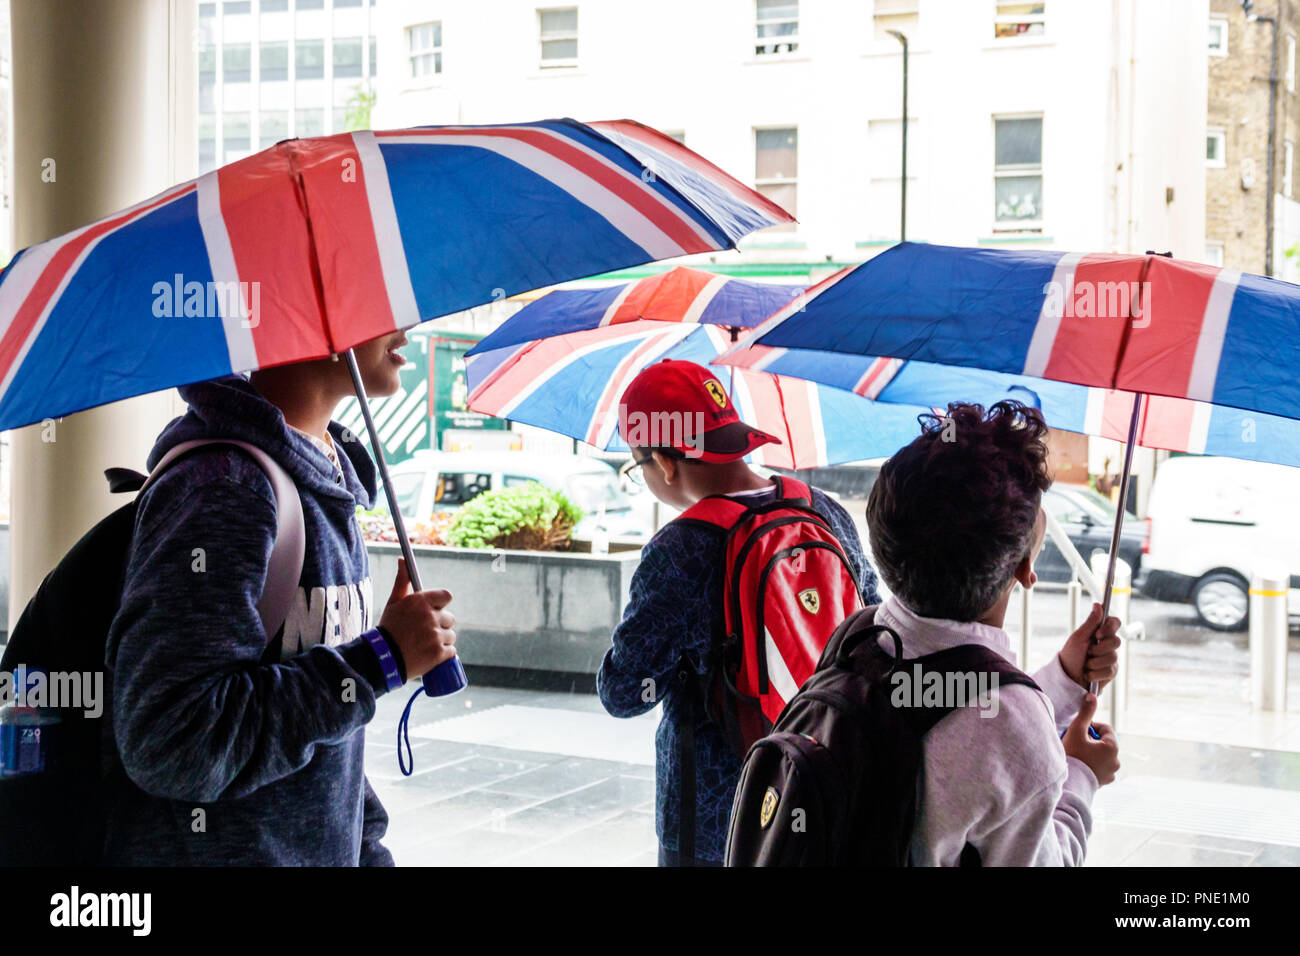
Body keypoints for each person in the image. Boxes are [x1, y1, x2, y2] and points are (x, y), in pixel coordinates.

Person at [102, 331, 457, 865]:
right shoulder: (224, 488)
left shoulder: (326, 478)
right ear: (316, 319)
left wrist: (365, 847)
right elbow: (172, 742)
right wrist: (379, 659)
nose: (404, 328)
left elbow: (327, 754)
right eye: (377, 299)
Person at [596, 359, 877, 867]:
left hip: (717, 818)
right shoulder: (824, 511)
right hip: (824, 784)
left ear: (664, 462)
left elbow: (623, 693)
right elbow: (871, 628)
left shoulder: (680, 548)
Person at [865, 400, 1121, 865]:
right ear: (1026, 567)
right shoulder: (1012, 730)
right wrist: (1082, 773)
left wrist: (1063, 678)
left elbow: (951, 716)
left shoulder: (861, 637)